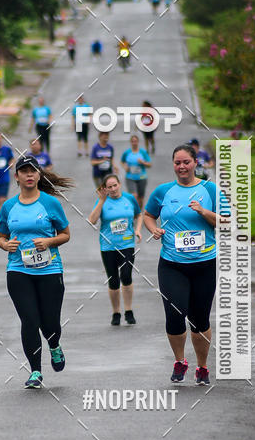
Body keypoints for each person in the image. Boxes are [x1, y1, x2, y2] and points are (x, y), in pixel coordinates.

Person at [143, 144, 230, 386]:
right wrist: (154, 229)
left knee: (199, 319)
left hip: (204, 264)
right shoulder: (163, 191)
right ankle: (180, 361)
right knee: (174, 314)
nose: (182, 167)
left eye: (186, 162)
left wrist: (203, 211)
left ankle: (202, 366)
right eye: (177, 163)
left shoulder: (210, 190)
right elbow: (148, 215)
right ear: (173, 165)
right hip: (172, 264)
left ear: (195, 163)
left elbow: (226, 222)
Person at [0, 156, 73, 389]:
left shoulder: (50, 203)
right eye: (24, 171)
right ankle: (35, 371)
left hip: (49, 270)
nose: (29, 175)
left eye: (33, 171)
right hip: (19, 270)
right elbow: (1, 236)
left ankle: (55, 345)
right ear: (16, 176)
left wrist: (49, 242)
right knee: (29, 320)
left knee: (49, 323)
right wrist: (5, 245)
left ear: (39, 175)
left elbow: (66, 234)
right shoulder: (9, 206)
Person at [88, 174, 142, 326]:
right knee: (113, 280)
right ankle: (116, 312)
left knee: (126, 276)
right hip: (108, 246)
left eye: (115, 185)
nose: (113, 189)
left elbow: (139, 215)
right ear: (105, 189)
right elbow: (92, 220)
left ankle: (129, 310)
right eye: (109, 187)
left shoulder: (129, 199)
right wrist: (101, 200)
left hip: (127, 245)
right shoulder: (103, 202)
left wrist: (137, 230)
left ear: (119, 184)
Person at [121, 133, 152, 210]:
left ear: (138, 142)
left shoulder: (143, 152)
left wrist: (143, 162)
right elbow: (122, 161)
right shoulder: (127, 152)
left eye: (135, 141)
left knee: (140, 198)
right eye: (132, 141)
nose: (134, 143)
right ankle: (134, 212)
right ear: (130, 142)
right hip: (130, 177)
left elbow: (149, 164)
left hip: (141, 178)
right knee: (134, 196)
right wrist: (125, 167)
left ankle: (139, 211)